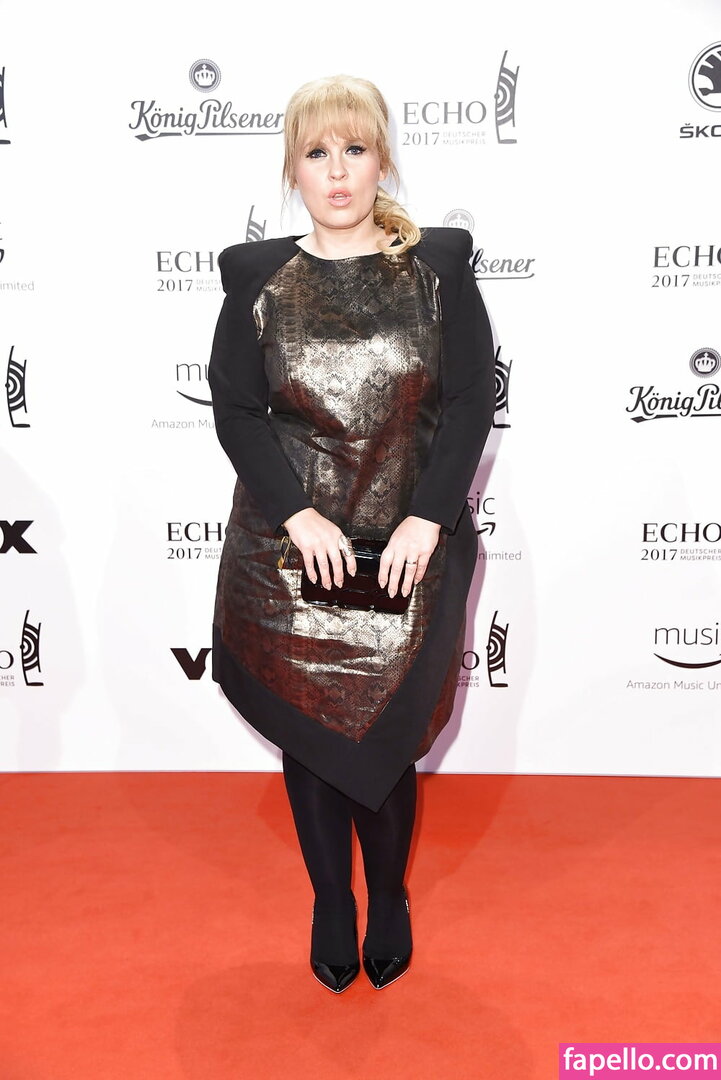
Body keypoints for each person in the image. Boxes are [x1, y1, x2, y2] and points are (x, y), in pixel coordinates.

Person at [208, 74, 496, 993]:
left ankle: (390, 898)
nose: (337, 171)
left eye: (355, 149)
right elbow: (236, 411)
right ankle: (331, 901)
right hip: (291, 553)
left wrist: (428, 516)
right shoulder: (257, 278)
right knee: (311, 729)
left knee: (388, 730)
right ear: (292, 168)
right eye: (317, 152)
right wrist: (296, 515)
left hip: (409, 547)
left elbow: (468, 403)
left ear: (382, 160)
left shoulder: (438, 270)